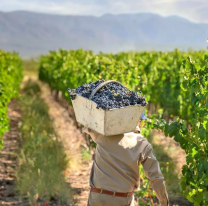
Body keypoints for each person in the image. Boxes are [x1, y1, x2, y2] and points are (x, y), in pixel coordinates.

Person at [83, 111, 169, 206]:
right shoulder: (142, 143)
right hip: (124, 199)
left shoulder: (103, 133)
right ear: (138, 121)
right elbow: (156, 178)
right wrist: (164, 202)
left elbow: (87, 121)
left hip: (99, 198)